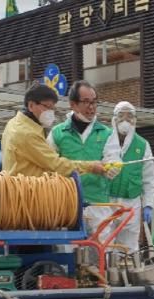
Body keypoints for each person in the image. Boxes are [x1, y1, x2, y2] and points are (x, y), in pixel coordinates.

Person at [47, 80, 113, 237]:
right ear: (73, 104)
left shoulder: (107, 133)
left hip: (98, 204)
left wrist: (112, 167)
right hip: (66, 203)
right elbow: (49, 165)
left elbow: (113, 158)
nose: (91, 107)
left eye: (94, 102)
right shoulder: (57, 133)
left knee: (102, 247)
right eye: (86, 102)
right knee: (67, 247)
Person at [1, 84, 104, 177]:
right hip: (27, 189)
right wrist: (90, 166)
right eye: (47, 107)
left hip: (17, 186)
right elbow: (55, 164)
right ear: (31, 105)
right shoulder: (28, 133)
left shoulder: (13, 123)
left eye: (52, 108)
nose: (50, 112)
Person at [102, 101, 154, 253]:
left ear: (134, 120)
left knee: (129, 245)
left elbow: (148, 178)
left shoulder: (142, 145)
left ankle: (127, 267)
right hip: (106, 200)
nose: (125, 120)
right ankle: (106, 267)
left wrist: (148, 204)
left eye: (129, 116)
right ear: (114, 119)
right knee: (104, 241)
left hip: (131, 202)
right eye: (121, 116)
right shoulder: (105, 139)